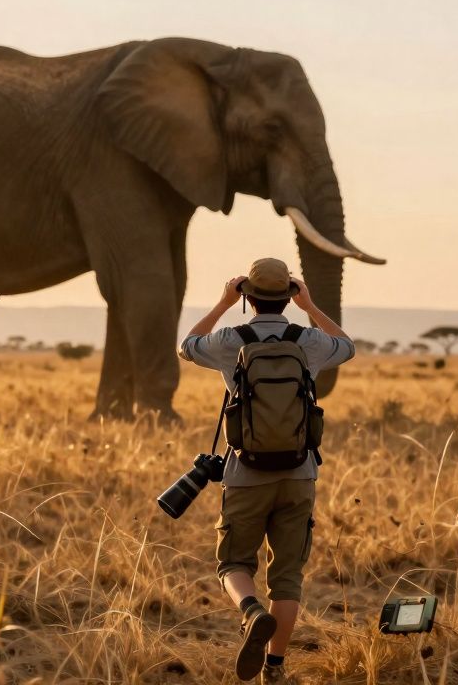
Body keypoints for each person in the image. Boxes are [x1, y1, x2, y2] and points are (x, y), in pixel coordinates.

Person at [178, 257, 356, 683]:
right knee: (288, 577)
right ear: (288, 297)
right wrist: (310, 305)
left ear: (249, 297)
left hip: (245, 473)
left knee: (234, 563)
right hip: (299, 473)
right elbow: (346, 346)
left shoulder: (229, 340)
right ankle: (274, 668)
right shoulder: (308, 340)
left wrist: (223, 301)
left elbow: (186, 344)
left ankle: (251, 610)